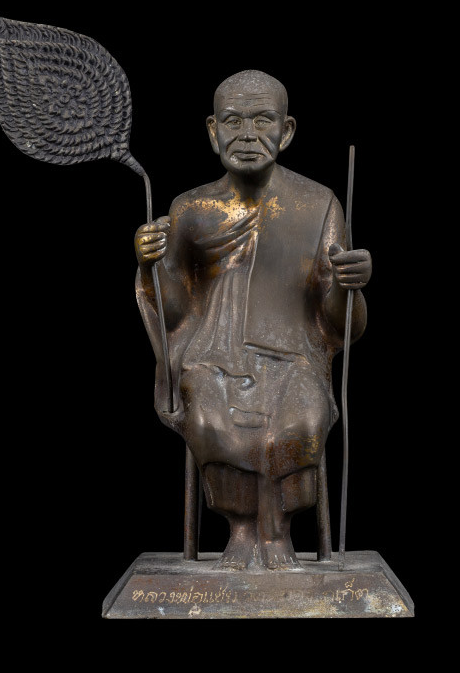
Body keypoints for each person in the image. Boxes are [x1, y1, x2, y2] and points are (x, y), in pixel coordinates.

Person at [134, 70, 372, 570]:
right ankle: (242, 532)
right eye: (233, 121)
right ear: (212, 130)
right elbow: (175, 313)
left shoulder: (318, 204)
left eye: (262, 120)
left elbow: (338, 325)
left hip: (296, 356)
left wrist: (349, 286)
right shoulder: (191, 209)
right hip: (211, 355)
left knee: (302, 422)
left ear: (286, 130)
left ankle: (277, 533)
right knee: (209, 419)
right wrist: (149, 265)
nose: (247, 135)